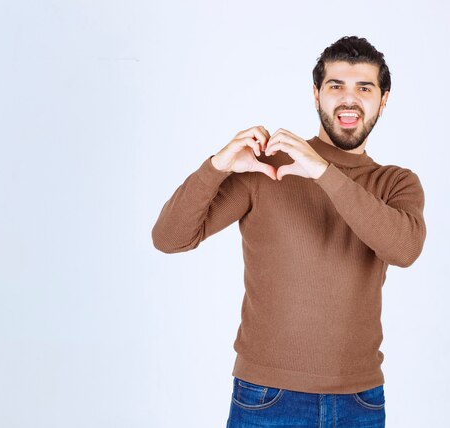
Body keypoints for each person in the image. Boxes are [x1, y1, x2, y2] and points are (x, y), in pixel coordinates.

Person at [151, 35, 426, 427]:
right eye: (336, 86)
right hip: (267, 396)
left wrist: (323, 173)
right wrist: (217, 166)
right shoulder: (267, 169)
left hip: (359, 402)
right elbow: (169, 238)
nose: (349, 100)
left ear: (383, 100)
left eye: (364, 88)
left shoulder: (396, 183)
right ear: (316, 95)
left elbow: (405, 249)